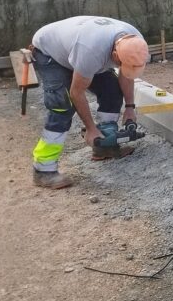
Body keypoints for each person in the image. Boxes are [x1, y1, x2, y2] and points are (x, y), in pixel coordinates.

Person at [29, 16, 150, 188]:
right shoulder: (91, 51)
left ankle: (104, 146)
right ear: (115, 55)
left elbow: (126, 74)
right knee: (62, 105)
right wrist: (91, 129)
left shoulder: (136, 44)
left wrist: (130, 107)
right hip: (50, 53)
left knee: (112, 91)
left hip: (79, 48)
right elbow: (76, 92)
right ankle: (43, 170)